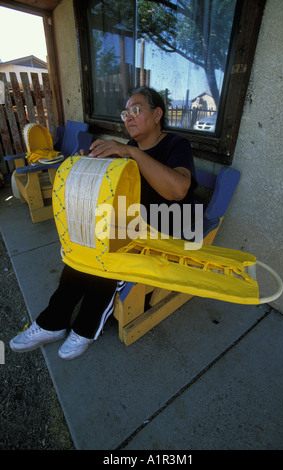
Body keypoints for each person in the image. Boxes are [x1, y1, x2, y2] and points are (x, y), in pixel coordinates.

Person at [9, 86, 197, 360]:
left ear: (157, 114)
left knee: (108, 256)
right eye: (125, 113)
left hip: (165, 230)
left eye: (136, 109)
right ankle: (53, 321)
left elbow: (177, 190)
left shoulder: (175, 144)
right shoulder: (130, 148)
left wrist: (129, 154)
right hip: (132, 223)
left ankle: (85, 327)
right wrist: (93, 165)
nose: (129, 118)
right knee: (83, 247)